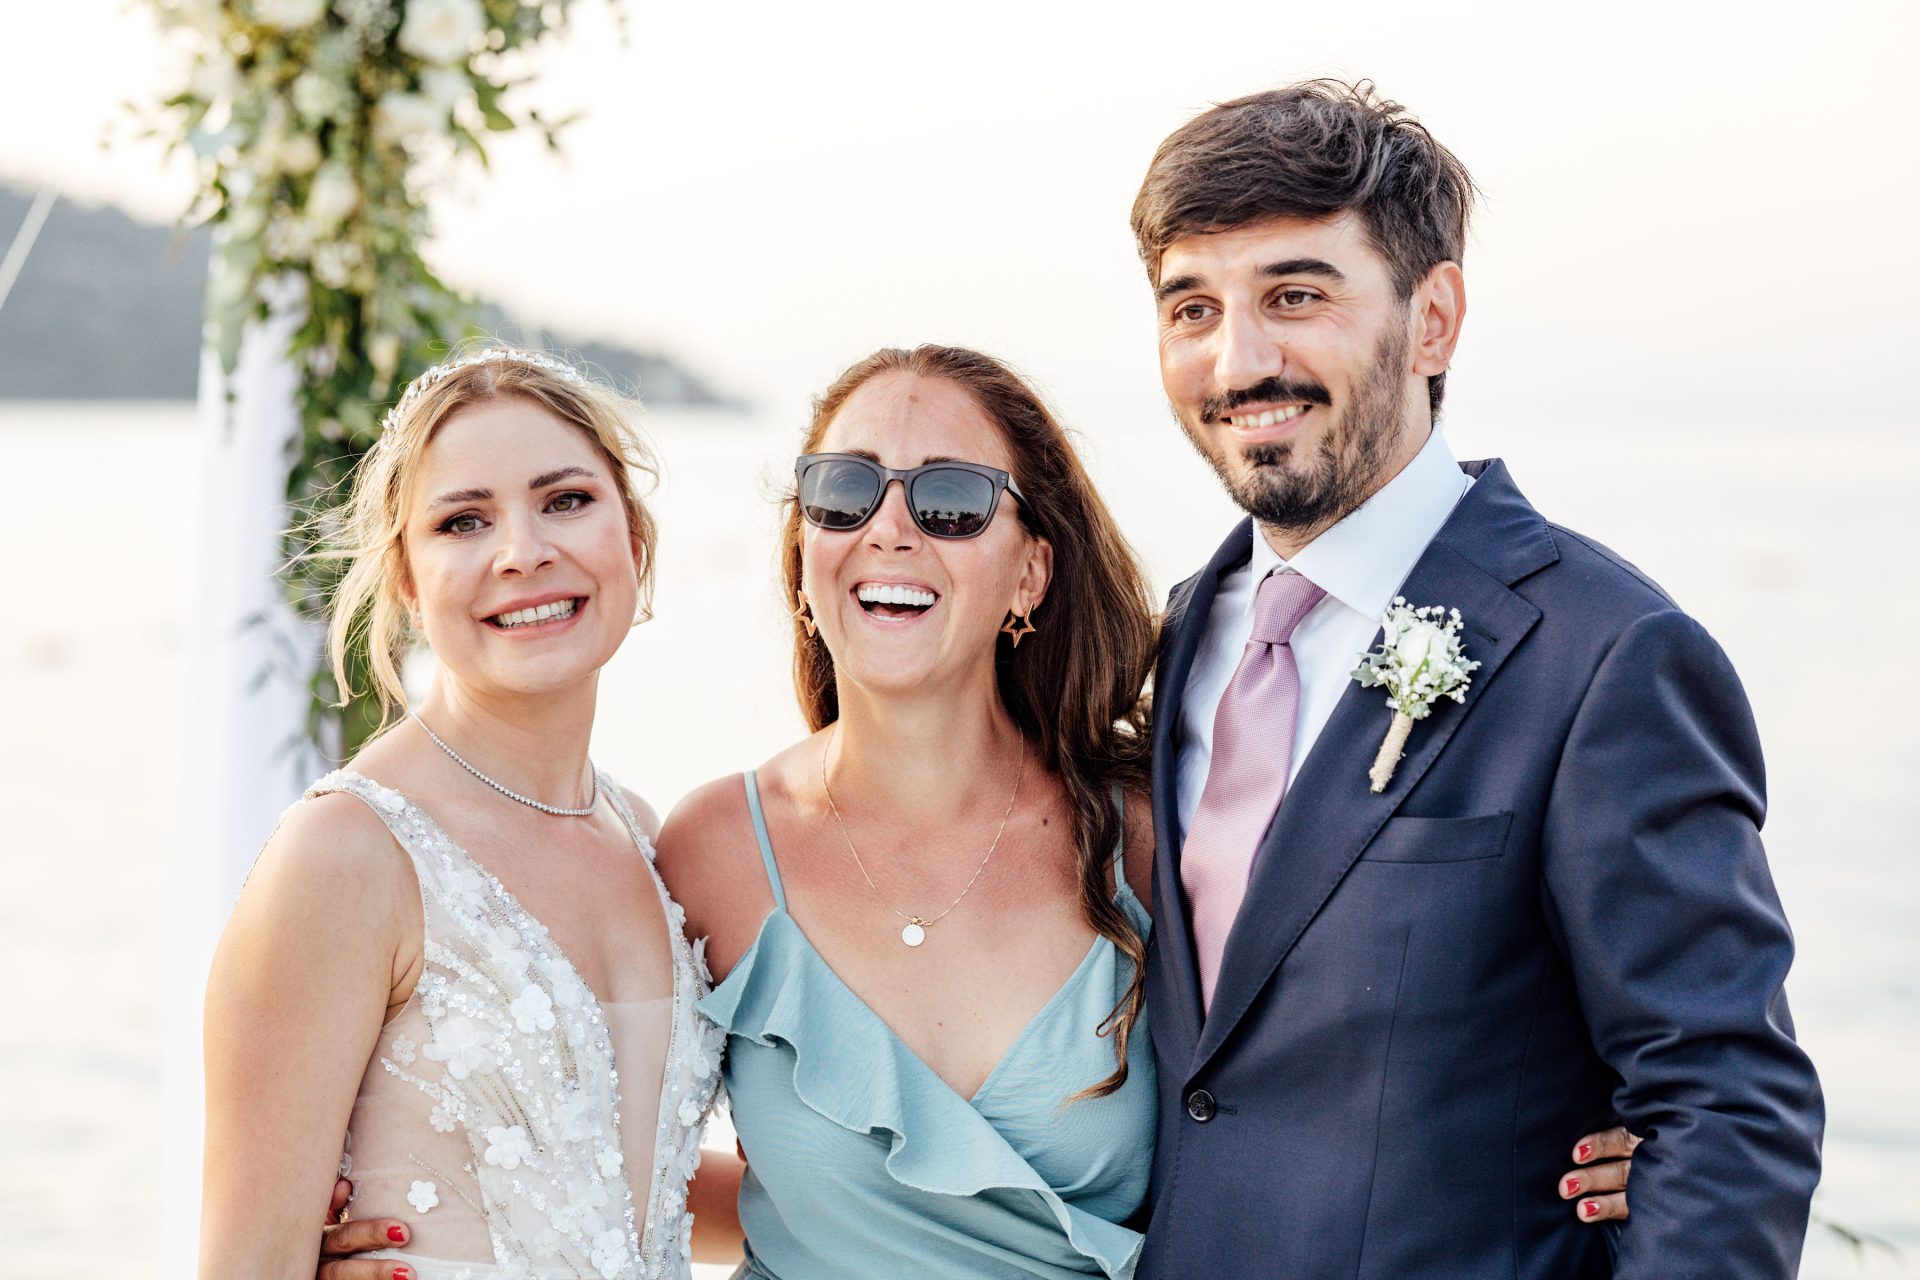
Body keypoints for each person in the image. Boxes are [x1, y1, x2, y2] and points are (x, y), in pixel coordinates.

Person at [1129, 81, 1825, 1278]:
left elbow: (1727, 1109)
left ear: (1434, 319)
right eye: (1194, 307)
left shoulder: (1606, 654)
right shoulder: (1185, 630)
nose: (1238, 360)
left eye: (1296, 295)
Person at [200, 347, 739, 1280]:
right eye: (463, 521)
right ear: (407, 581)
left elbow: (642, 1194)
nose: (522, 551)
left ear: (634, 540)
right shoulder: (347, 854)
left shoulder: (647, 839)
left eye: (566, 500)